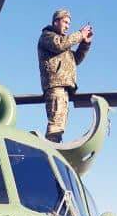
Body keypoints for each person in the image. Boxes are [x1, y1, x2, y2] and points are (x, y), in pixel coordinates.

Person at [38, 9, 93, 143]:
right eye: (65, 22)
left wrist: (85, 44)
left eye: (69, 23)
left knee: (59, 124)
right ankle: (51, 149)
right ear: (56, 21)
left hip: (63, 88)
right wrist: (80, 34)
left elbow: (75, 60)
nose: (68, 26)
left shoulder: (63, 43)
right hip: (56, 86)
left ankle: (54, 146)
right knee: (56, 125)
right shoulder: (48, 36)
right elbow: (60, 44)